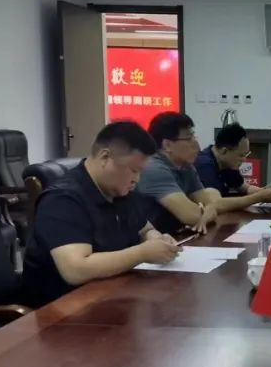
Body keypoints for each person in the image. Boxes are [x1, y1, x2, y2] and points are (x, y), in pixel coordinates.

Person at [22, 122, 182, 307]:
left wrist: (156, 238)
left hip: (111, 295)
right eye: (133, 171)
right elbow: (76, 270)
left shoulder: (119, 190)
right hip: (62, 310)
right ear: (105, 157)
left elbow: (144, 228)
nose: (136, 180)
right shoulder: (63, 199)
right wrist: (143, 253)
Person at [136, 112, 220, 235]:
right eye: (189, 139)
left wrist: (206, 211)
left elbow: (212, 206)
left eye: (194, 137)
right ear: (167, 145)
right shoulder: (154, 168)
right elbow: (192, 216)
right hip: (150, 239)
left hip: (175, 236)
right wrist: (205, 211)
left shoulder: (186, 166)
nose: (197, 145)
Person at [194, 123, 271, 212]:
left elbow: (245, 188)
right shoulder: (204, 165)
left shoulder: (226, 163)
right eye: (241, 155)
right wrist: (259, 197)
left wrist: (265, 192)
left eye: (246, 155)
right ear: (224, 151)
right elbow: (216, 204)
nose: (244, 160)